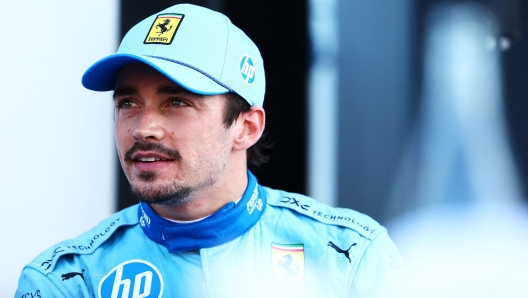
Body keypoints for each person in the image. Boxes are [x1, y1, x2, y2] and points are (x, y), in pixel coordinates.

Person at [15, 4, 404, 298]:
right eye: (128, 103)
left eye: (177, 102)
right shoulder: (67, 280)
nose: (143, 127)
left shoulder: (350, 257)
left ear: (246, 127)